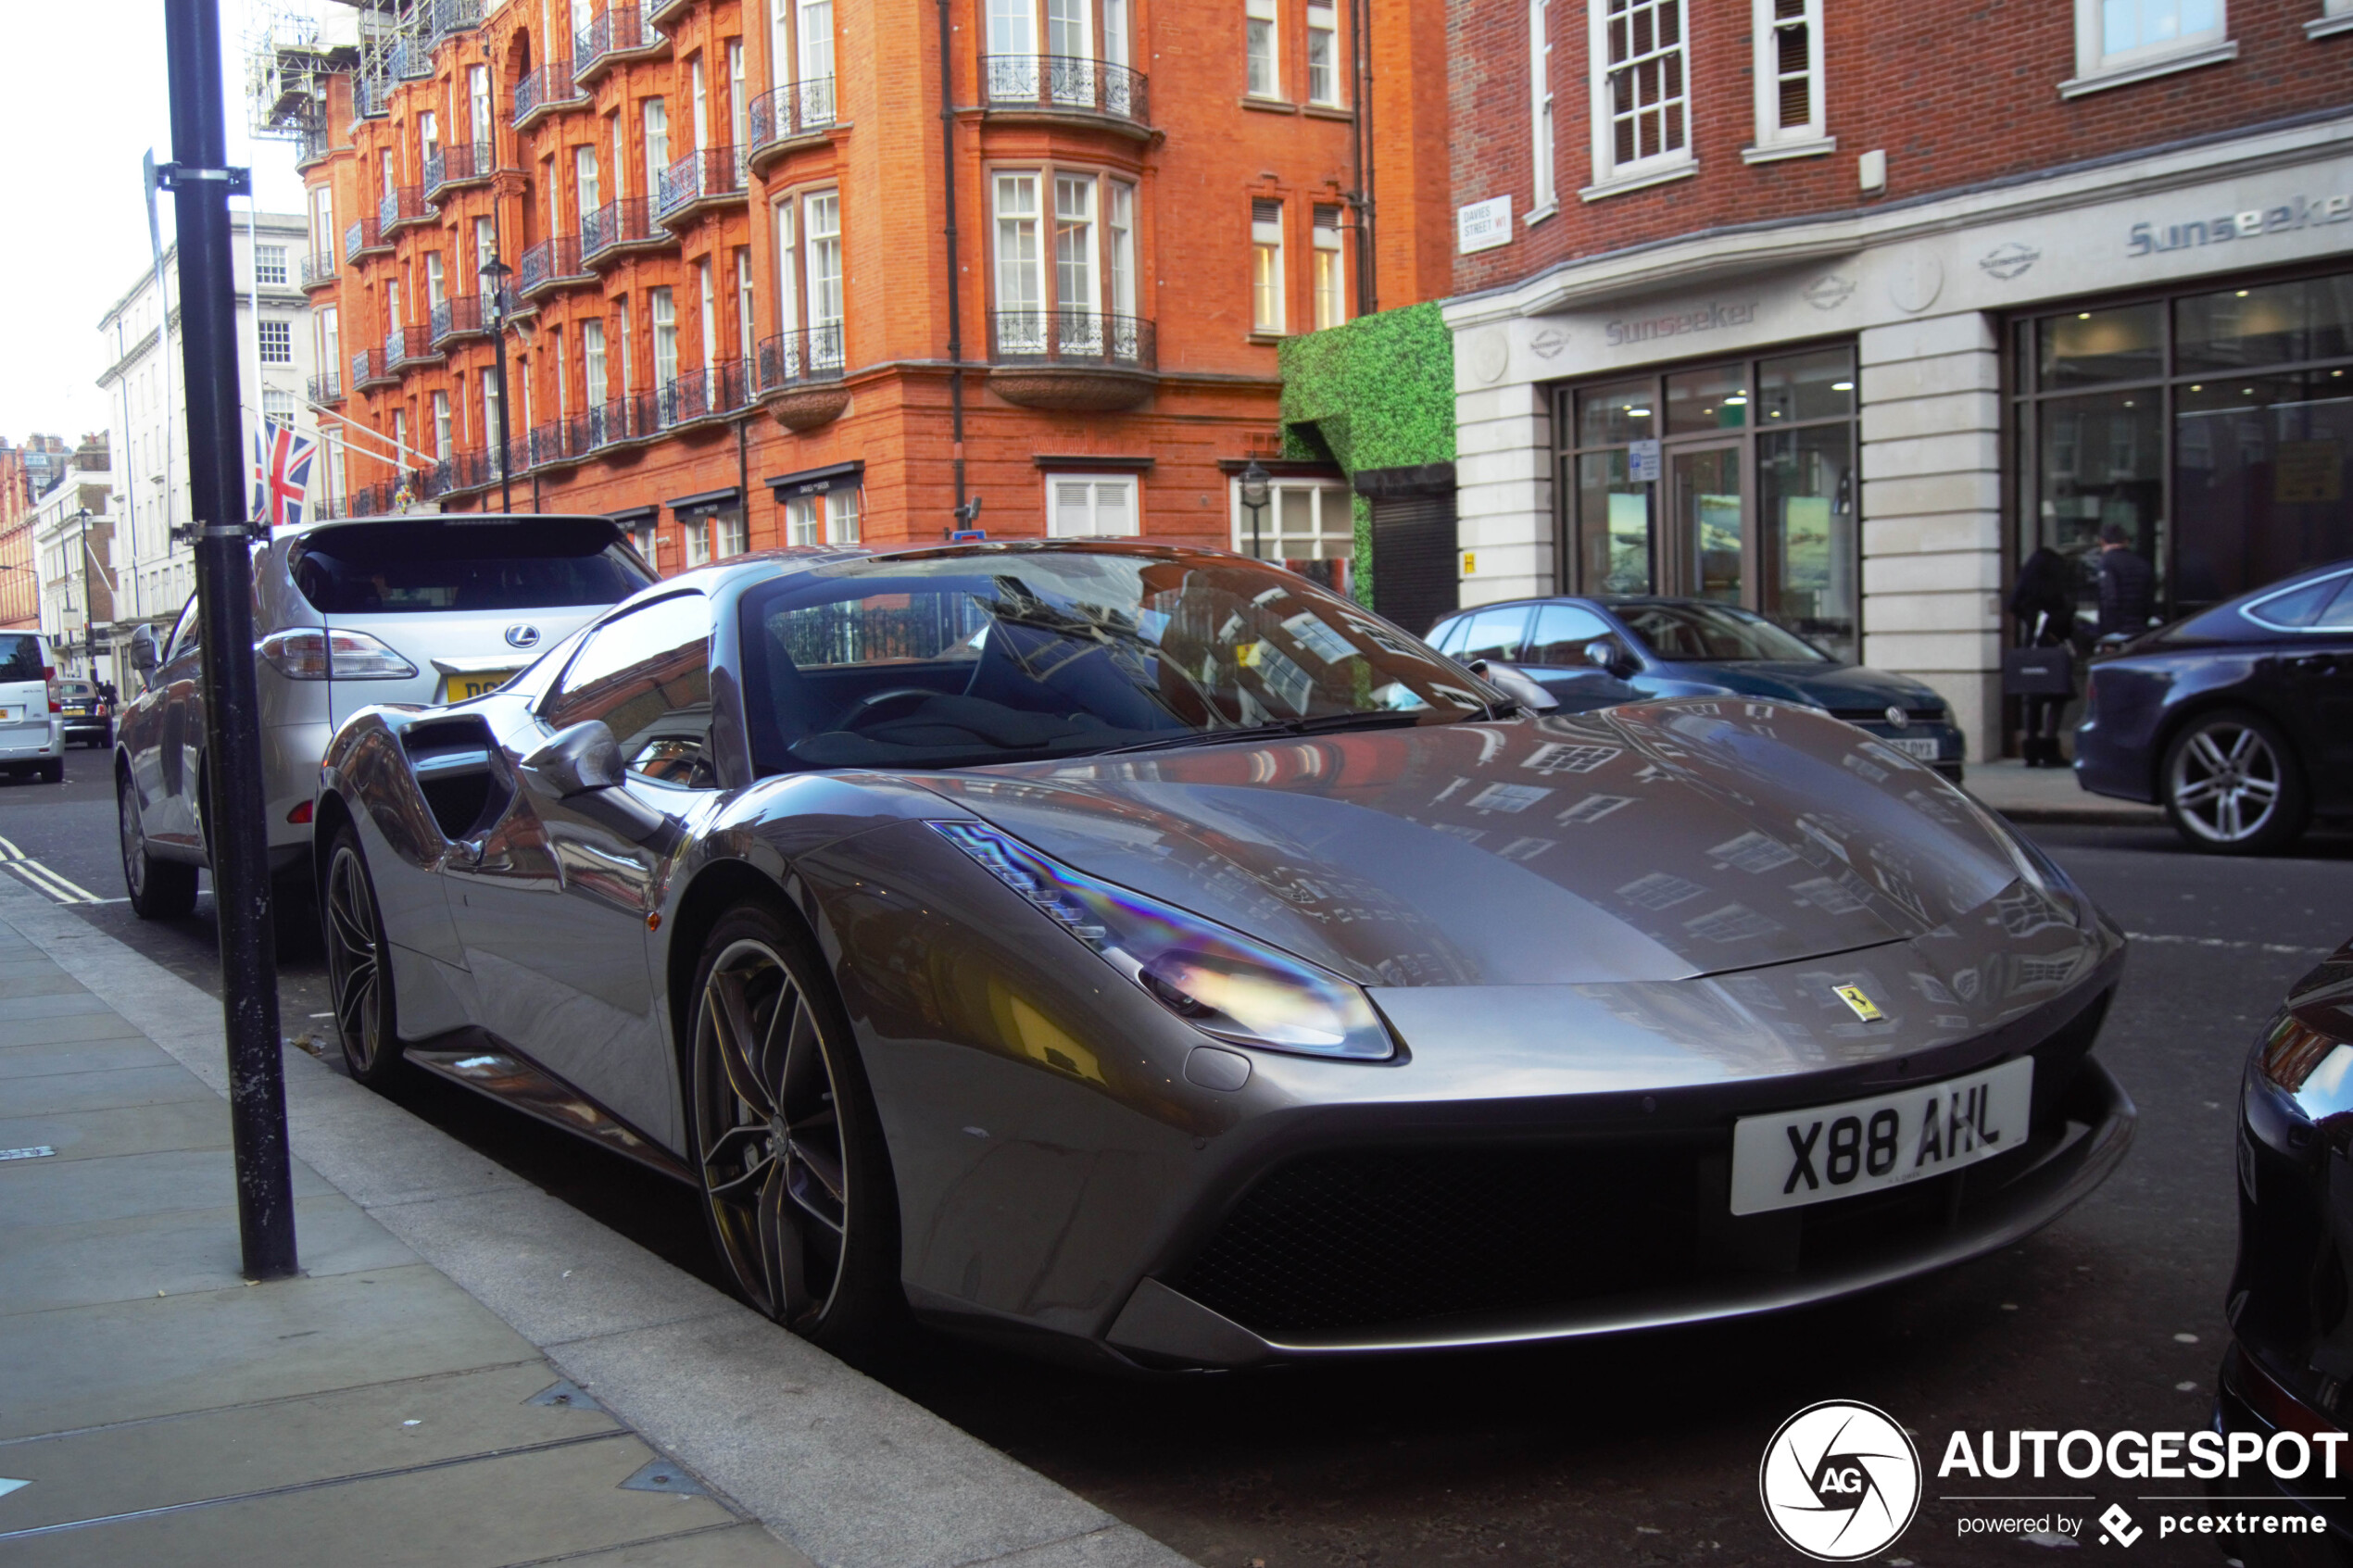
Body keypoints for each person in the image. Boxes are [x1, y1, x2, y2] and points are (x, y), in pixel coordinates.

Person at [2008, 546, 2075, 768]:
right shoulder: (2055, 592)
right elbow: (2064, 620)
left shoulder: (2026, 593)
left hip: (2032, 646)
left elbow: (2013, 606)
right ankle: (2049, 747)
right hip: (2052, 646)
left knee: (2033, 699)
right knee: (2057, 696)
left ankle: (2031, 749)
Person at [2095, 522, 2156, 643]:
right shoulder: (2142, 563)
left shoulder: (2107, 563)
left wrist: (2108, 633)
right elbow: (2149, 598)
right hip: (2140, 629)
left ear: (2102, 542)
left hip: (2118, 631)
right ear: (2126, 541)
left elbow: (2109, 599)